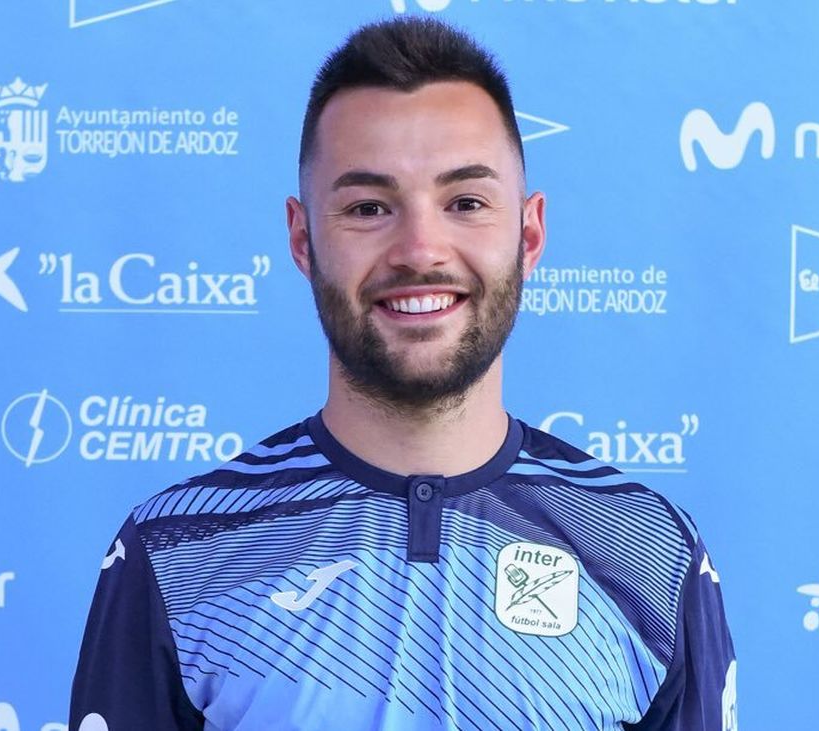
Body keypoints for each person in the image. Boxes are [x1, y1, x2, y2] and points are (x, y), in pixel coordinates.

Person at [70, 16, 736, 731]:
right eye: (369, 208)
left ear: (529, 233)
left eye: (466, 203)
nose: (420, 249)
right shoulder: (177, 552)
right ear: (302, 239)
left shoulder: (650, 552)